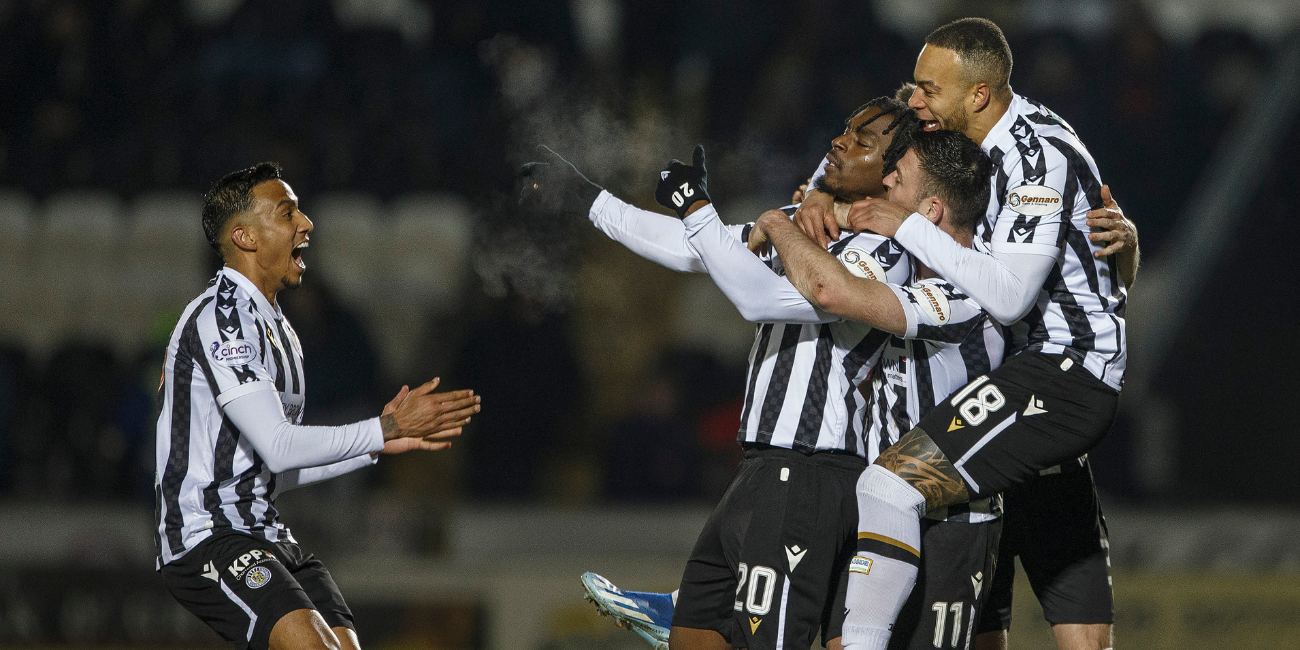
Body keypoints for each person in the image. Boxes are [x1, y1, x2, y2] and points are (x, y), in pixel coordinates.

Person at [777, 19, 1133, 650]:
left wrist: (905, 226)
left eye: (927, 89)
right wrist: (813, 194)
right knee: (1019, 611)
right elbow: (862, 142)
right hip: (1014, 382)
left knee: (889, 485)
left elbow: (1011, 294)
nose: (915, 101)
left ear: (978, 95)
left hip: (1059, 373)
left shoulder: (1034, 158)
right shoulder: (962, 139)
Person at [522, 97, 916, 650]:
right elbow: (696, 249)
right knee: (694, 634)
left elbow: (761, 298)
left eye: (862, 140)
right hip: (760, 471)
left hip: (810, 472)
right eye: (843, 128)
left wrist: (703, 211)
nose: (839, 141)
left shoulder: (885, 251)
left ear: (893, 174)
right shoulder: (805, 227)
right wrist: (590, 200)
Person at [155, 163, 482, 650]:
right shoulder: (222, 320)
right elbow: (282, 448)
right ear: (244, 237)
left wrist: (373, 449)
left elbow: (276, 471)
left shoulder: (280, 328)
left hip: (267, 533)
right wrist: (384, 427)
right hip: (208, 535)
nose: (306, 224)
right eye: (287, 213)